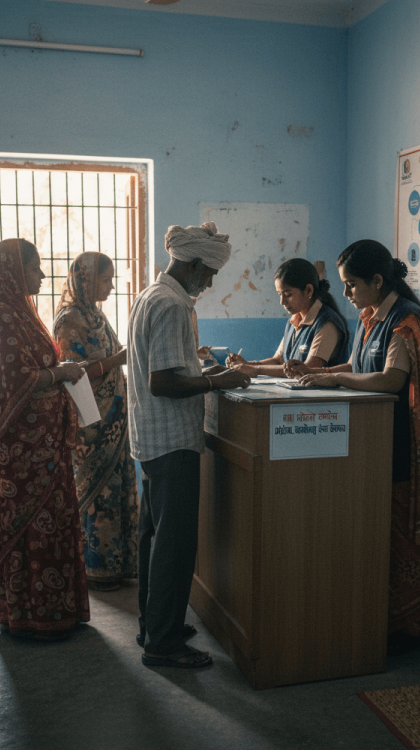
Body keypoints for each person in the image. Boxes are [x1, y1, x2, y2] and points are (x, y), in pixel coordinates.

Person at [292, 239, 420, 653]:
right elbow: (361, 366)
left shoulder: (405, 320)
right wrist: (324, 374)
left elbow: (391, 379)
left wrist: (335, 379)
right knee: (379, 531)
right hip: (372, 441)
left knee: (400, 531)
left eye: (352, 285)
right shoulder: (371, 317)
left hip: (400, 441)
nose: (345, 294)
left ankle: (409, 624)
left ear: (378, 281)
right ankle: (378, 616)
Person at [127, 221, 251, 669]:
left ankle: (154, 625)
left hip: (150, 438)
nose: (211, 282)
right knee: (175, 546)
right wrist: (213, 381)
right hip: (172, 441)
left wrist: (209, 377)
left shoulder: (149, 295)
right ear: (195, 264)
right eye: (210, 273)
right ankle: (163, 645)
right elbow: (164, 383)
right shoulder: (173, 304)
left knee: (155, 539)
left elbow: (164, 374)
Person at [0, 238, 90, 640]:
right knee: (29, 527)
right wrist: (60, 374)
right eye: (33, 268)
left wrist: (60, 370)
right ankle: (26, 614)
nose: (42, 275)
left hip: (47, 444)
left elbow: (36, 365)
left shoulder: (23, 313)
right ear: (12, 271)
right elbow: (15, 381)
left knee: (56, 521)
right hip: (20, 448)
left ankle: (59, 610)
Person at [53, 252, 139, 592]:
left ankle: (118, 566)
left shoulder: (97, 317)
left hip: (115, 420)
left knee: (117, 489)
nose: (111, 286)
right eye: (105, 280)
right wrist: (116, 360)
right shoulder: (69, 320)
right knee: (97, 494)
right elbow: (72, 373)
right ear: (85, 281)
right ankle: (95, 569)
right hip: (92, 424)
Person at [226, 258, 349, 377]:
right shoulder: (294, 320)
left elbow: (307, 369)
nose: (282, 302)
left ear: (308, 290)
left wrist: (255, 369)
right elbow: (278, 360)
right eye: (280, 294)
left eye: (288, 295)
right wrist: (246, 364)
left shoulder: (327, 323)